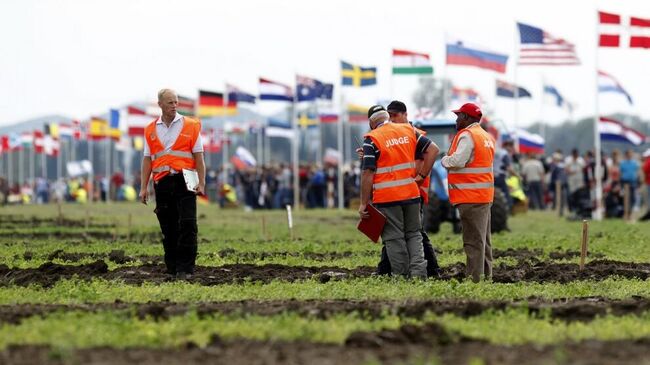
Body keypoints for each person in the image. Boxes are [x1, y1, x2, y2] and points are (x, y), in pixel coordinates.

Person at [359, 105, 437, 279]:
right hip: (411, 194)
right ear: (387, 116)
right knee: (414, 234)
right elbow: (433, 150)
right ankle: (418, 274)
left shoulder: (372, 138)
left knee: (394, 238)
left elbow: (368, 172)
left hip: (387, 198)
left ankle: (401, 276)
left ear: (372, 122)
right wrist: (422, 175)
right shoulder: (408, 130)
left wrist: (364, 202)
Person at [140, 88, 206, 280]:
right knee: (168, 227)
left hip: (187, 179)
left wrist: (201, 183)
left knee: (188, 224)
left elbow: (199, 157)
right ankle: (172, 267)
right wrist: (144, 187)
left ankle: (186, 269)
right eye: (170, 102)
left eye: (176, 102)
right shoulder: (150, 129)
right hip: (162, 182)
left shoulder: (191, 125)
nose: (174, 106)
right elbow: (147, 160)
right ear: (160, 104)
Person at [378, 100, 442, 278]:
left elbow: (431, 152)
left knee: (412, 234)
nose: (392, 119)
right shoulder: (398, 135)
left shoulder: (411, 133)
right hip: (405, 191)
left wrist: (421, 176)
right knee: (405, 234)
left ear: (405, 115)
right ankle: (389, 269)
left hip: (413, 190)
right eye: (389, 116)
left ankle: (430, 270)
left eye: (395, 115)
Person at [441, 103, 495, 283]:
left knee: (473, 242)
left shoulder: (467, 135)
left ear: (468, 118)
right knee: (483, 241)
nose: (457, 119)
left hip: (470, 197)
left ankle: (475, 280)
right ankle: (486, 277)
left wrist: (444, 160)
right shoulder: (485, 136)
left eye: (460, 115)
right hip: (483, 196)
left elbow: (457, 160)